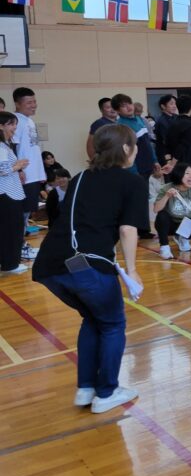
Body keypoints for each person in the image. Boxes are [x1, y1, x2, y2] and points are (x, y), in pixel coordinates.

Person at [31, 124, 148, 413]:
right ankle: (107, 392)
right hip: (87, 266)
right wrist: (132, 270)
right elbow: (127, 229)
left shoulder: (81, 177)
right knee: (112, 324)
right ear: (126, 149)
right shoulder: (132, 182)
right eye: (134, 145)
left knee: (93, 319)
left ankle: (86, 388)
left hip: (51, 264)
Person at [152, 162, 191, 259]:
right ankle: (164, 247)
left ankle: (183, 237)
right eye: (187, 173)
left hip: (187, 224)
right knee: (162, 215)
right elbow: (156, 209)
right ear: (179, 174)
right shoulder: (166, 188)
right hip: (171, 225)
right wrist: (167, 196)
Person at [12, 87, 46, 262]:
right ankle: (18, 248)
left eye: (34, 101)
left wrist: (41, 172)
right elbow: (12, 146)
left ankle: (21, 245)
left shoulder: (29, 121)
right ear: (17, 104)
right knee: (21, 214)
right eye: (29, 102)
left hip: (33, 175)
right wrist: (18, 170)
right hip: (24, 176)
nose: (33, 105)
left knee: (26, 213)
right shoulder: (16, 121)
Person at [0, 111, 29, 274]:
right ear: (1, 126)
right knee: (11, 231)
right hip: (7, 194)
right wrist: (17, 166)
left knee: (9, 230)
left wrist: (17, 166)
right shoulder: (1, 147)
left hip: (10, 193)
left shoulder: (5, 145)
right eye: (11, 124)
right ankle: (11, 264)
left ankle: (8, 262)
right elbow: (2, 169)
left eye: (15, 124)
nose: (14, 127)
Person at [165, 95, 191, 166]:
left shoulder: (172, 123)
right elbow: (183, 146)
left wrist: (169, 161)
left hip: (173, 160)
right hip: (186, 163)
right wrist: (172, 164)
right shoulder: (190, 125)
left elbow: (166, 144)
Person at [153, 94, 178, 166]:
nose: (174, 106)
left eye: (175, 104)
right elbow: (166, 141)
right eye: (171, 104)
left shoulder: (176, 117)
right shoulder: (161, 121)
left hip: (176, 153)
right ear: (163, 106)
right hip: (167, 155)